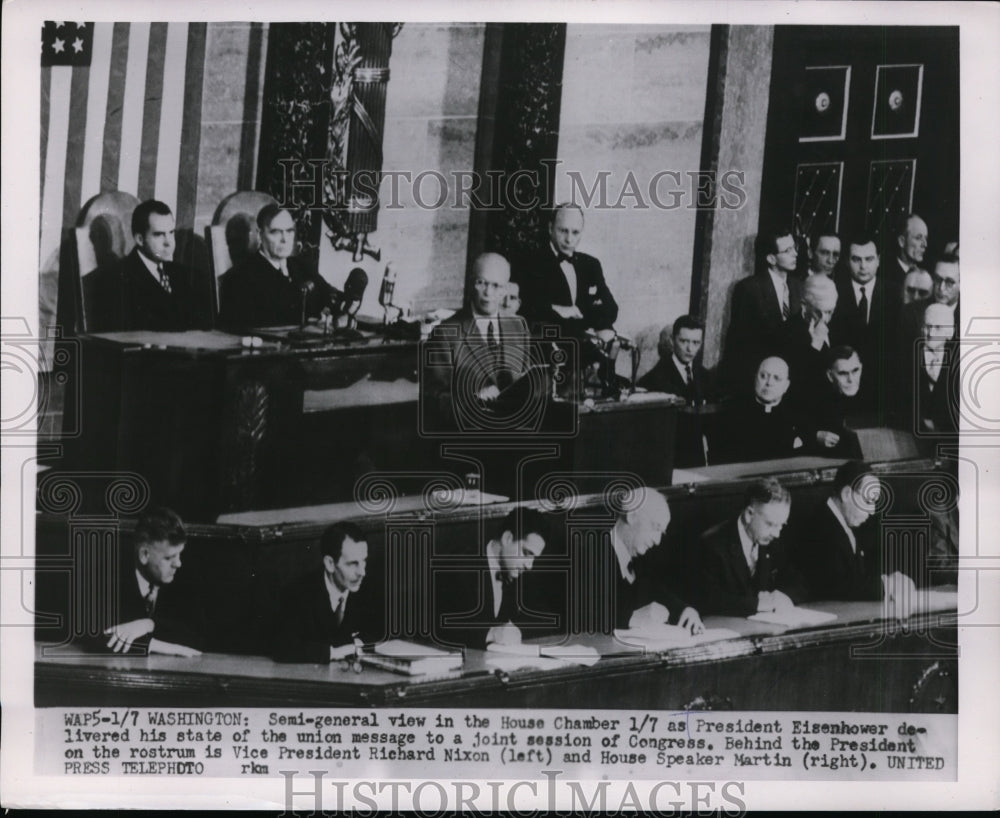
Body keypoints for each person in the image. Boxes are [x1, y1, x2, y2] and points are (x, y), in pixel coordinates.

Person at [422, 252, 535, 433]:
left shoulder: (518, 327)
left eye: (496, 285)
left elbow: (526, 384)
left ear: (505, 289)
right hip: (469, 437)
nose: (488, 293)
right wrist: (475, 400)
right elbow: (433, 399)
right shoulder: (445, 334)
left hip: (516, 433)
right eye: (481, 283)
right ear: (471, 282)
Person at [796, 461, 916, 605]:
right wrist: (887, 585)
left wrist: (890, 579)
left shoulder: (844, 521)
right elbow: (837, 587)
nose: (872, 511)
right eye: (868, 501)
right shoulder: (820, 528)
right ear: (846, 494)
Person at [432, 508, 551, 649]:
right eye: (526, 553)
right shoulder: (459, 566)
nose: (529, 566)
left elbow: (539, 617)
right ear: (507, 538)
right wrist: (490, 634)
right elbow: (438, 628)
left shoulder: (517, 571)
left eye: (533, 558)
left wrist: (516, 630)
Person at [93, 507, 203, 656]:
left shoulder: (184, 578)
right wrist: (166, 647)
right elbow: (102, 636)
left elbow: (196, 635)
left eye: (179, 554)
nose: (178, 564)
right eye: (169, 558)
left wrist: (149, 624)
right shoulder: (109, 577)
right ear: (144, 555)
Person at [87, 200, 211, 332]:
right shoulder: (114, 280)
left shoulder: (189, 276)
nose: (168, 242)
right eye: (159, 234)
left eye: (171, 232)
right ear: (140, 239)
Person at [272, 522, 383, 662]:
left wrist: (356, 645)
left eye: (364, 561)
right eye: (353, 563)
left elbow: (382, 632)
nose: (362, 572)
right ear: (330, 564)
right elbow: (283, 648)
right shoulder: (298, 594)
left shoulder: (369, 588)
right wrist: (335, 653)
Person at [696, 478, 807, 617]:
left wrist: (783, 596)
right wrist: (759, 604)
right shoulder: (713, 544)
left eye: (782, 525)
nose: (777, 534)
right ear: (749, 514)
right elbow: (709, 599)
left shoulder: (773, 540)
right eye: (770, 524)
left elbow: (798, 581)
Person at [218, 204, 336, 329]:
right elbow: (236, 328)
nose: (285, 239)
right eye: (276, 232)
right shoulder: (239, 277)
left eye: (289, 231)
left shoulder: (302, 266)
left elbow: (331, 297)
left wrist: (338, 313)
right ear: (259, 235)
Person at [515, 203, 619, 341]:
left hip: (582, 344)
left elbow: (611, 309)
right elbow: (523, 308)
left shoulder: (591, 265)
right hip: (548, 346)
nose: (569, 239)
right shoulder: (530, 262)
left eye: (575, 232)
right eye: (563, 231)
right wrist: (556, 310)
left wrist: (588, 320)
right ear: (550, 228)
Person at [721, 228, 803, 393]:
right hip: (760, 380)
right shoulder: (749, 289)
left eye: (794, 247)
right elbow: (740, 342)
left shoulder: (798, 286)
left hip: (790, 379)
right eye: (787, 250)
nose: (795, 254)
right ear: (771, 258)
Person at [637, 315, 713, 467]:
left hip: (697, 463)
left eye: (696, 343)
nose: (690, 349)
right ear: (672, 340)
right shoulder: (652, 380)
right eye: (684, 341)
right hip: (666, 461)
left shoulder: (706, 377)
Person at [830, 231, 899, 387]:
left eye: (869, 259)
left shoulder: (894, 294)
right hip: (842, 382)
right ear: (847, 261)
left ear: (878, 260)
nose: (863, 266)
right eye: (856, 259)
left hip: (883, 382)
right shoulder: (834, 291)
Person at [713, 356, 803, 464]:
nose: (769, 383)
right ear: (755, 377)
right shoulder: (731, 414)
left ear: (786, 386)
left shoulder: (795, 418)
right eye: (763, 376)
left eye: (777, 378)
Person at [894, 302, 958, 437]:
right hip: (909, 438)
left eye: (938, 327)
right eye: (927, 326)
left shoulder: (958, 365)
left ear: (950, 333)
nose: (931, 333)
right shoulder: (904, 360)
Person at [779, 274, 841, 406]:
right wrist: (815, 346)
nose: (825, 319)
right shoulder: (787, 332)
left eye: (829, 312)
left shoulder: (840, 325)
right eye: (818, 312)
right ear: (804, 305)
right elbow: (796, 384)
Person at [802, 345, 871, 457]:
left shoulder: (875, 395)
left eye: (855, 370)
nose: (851, 379)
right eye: (843, 373)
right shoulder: (816, 402)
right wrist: (815, 436)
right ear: (830, 375)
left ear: (861, 368)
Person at [891, 213, 929, 287]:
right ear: (902, 241)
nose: (925, 244)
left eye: (926, 238)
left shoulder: (925, 276)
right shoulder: (886, 275)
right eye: (918, 238)